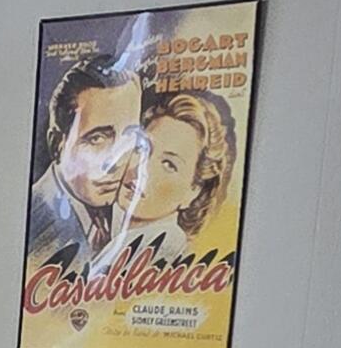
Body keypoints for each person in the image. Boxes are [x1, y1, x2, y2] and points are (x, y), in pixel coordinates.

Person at [23, 38, 145, 277]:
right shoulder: (36, 227)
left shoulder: (137, 210)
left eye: (129, 137)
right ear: (58, 144)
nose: (116, 162)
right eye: (97, 139)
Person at [117, 86, 239, 263]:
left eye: (169, 164)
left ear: (193, 191)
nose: (142, 169)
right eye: (142, 149)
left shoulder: (162, 244)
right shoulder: (124, 239)